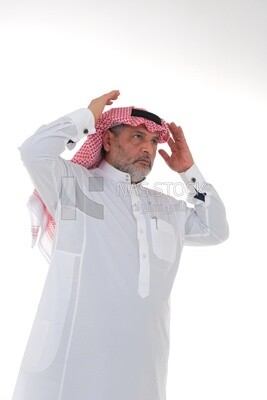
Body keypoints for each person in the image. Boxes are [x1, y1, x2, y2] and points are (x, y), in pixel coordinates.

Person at [12, 90, 229, 400]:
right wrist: (87, 118)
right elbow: (34, 152)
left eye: (154, 142)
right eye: (137, 136)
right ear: (108, 140)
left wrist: (188, 172)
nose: (148, 149)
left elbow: (216, 230)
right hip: (74, 364)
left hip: (144, 371)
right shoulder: (75, 187)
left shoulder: (166, 206)